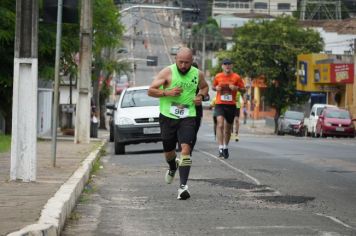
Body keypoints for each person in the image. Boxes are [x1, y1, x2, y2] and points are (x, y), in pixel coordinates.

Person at [148, 47, 209, 200]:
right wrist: (167, 92)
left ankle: (183, 187)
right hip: (167, 116)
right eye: (181, 62)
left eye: (187, 63)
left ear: (192, 62)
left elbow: (205, 87)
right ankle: (172, 166)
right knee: (169, 151)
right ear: (175, 60)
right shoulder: (167, 72)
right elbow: (150, 90)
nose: (183, 66)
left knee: (186, 150)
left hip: (188, 116)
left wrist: (200, 95)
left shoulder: (197, 73)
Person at [212, 58, 245, 159]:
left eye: (229, 64)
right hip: (219, 104)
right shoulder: (218, 76)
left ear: (232, 66)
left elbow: (243, 89)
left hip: (231, 105)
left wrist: (237, 88)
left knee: (228, 128)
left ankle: (225, 147)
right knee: (220, 124)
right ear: (222, 66)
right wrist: (216, 88)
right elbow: (213, 87)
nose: (227, 66)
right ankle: (220, 147)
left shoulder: (236, 77)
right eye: (225, 64)